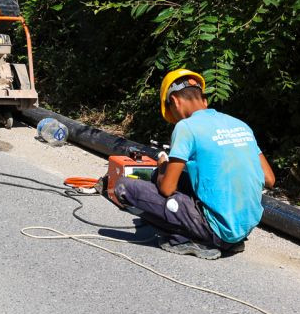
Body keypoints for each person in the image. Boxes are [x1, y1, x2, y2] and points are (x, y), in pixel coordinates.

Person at [114, 69, 277, 259]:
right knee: (177, 180)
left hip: (216, 231)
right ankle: (228, 240)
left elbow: (167, 188)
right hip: (243, 228)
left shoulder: (186, 127)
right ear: (204, 101)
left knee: (124, 187)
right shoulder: (240, 125)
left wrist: (162, 167)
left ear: (174, 101)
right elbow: (270, 179)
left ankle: (192, 239)